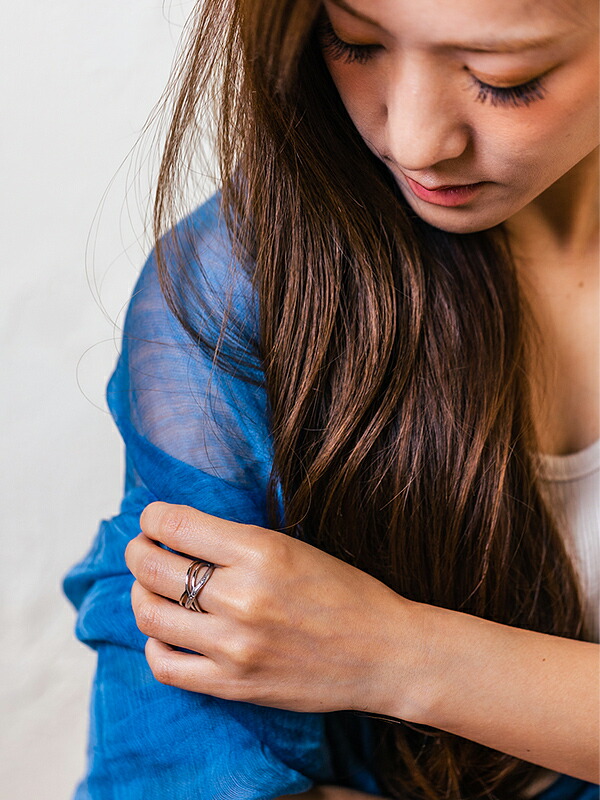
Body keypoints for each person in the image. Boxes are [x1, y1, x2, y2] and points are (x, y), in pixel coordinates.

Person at [62, 0, 599, 798]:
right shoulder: (237, 293)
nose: (414, 141)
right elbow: (175, 767)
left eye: (503, 77)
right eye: (353, 41)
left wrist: (394, 653)